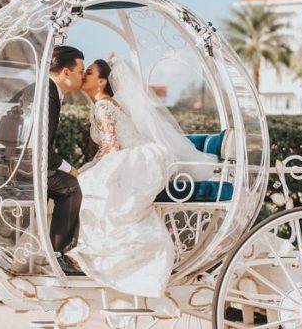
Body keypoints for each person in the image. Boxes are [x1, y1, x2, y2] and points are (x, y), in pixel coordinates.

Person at [68, 59, 216, 297]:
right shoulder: (106, 103)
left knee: (89, 187)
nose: (83, 75)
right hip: (134, 155)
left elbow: (112, 148)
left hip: (136, 159)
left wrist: (92, 169)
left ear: (102, 81)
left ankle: (100, 253)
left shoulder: (103, 106)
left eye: (89, 72)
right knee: (88, 181)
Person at [46, 46, 85, 274]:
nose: (82, 75)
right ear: (66, 73)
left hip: (26, 161)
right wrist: (70, 169)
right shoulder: (49, 96)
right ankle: (57, 254)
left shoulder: (48, 91)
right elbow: (41, 148)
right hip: (27, 166)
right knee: (72, 187)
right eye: (80, 70)